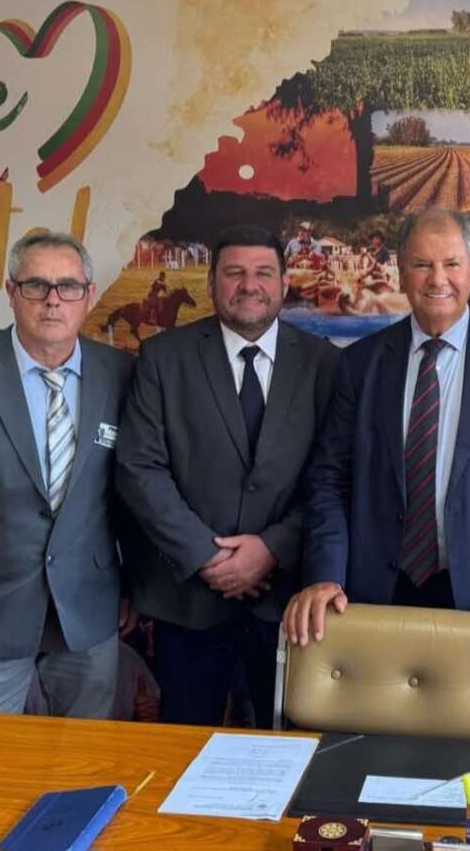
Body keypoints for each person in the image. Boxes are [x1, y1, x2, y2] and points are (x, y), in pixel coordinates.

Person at [285, 209, 470, 657]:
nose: (438, 279)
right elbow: (329, 480)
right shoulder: (360, 364)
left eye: (451, 264)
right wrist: (325, 575)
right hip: (373, 597)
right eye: (422, 265)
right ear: (401, 275)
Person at [115, 224, 338, 728]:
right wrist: (207, 555)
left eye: (263, 273)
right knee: (182, 751)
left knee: (287, 751)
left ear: (284, 283)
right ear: (212, 282)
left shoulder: (325, 363)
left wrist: (272, 549)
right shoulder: (163, 358)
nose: (249, 285)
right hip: (187, 602)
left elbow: (333, 476)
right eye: (234, 273)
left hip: (288, 604)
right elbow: (139, 467)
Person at [0, 232, 135, 717]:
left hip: (88, 621)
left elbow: (136, 494)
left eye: (68, 286)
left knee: (83, 759)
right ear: (11, 292)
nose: (53, 300)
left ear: (88, 296)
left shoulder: (123, 375)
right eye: (36, 285)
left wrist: (135, 589)